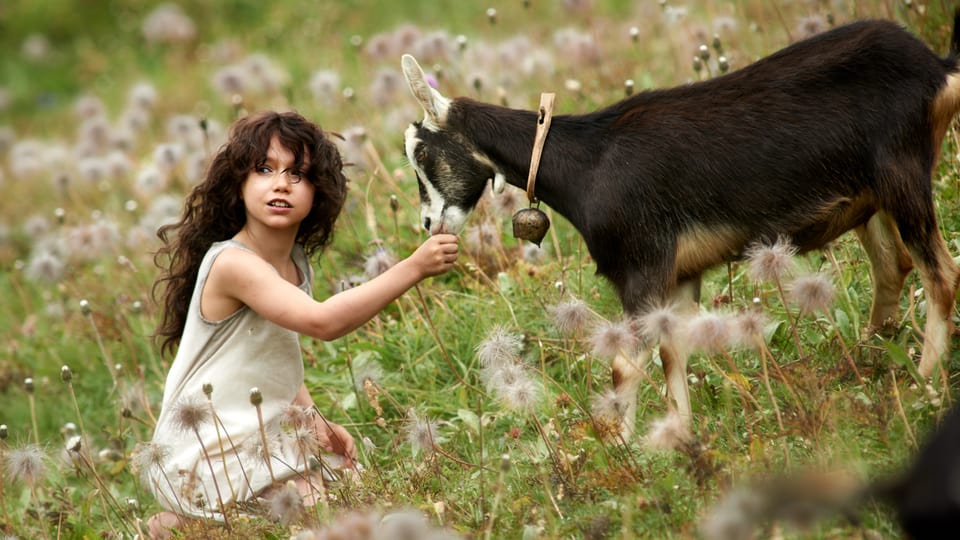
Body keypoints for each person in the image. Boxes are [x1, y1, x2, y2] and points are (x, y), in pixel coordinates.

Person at [141, 110, 459, 537]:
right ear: (238, 185)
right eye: (264, 170)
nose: (281, 184)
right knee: (321, 514)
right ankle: (179, 520)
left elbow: (277, 354)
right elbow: (322, 322)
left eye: (298, 174)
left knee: (354, 489)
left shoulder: (293, 262)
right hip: (206, 446)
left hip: (257, 432)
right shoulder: (233, 263)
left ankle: (182, 524)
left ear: (317, 192)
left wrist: (315, 422)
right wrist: (412, 267)